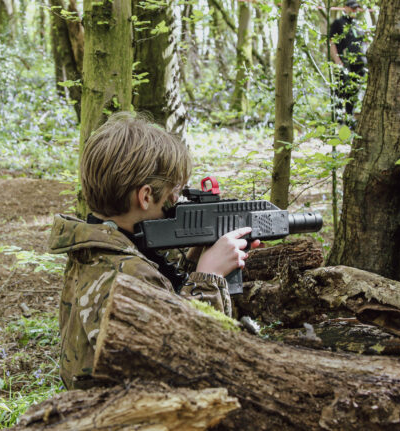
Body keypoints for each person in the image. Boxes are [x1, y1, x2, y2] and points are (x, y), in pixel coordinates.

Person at [48, 112, 260, 390]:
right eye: (173, 194)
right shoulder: (127, 274)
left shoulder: (97, 248)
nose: (176, 202)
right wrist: (208, 277)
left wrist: (194, 263)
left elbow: (160, 305)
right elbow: (185, 362)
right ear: (146, 196)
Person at [329, 0, 367, 125]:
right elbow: (332, 43)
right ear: (345, 8)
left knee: (353, 91)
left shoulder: (358, 25)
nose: (354, 11)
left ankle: (350, 119)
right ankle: (339, 119)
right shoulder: (338, 23)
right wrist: (337, 61)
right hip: (344, 63)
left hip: (359, 64)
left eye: (356, 8)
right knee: (341, 90)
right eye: (352, 8)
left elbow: (364, 43)